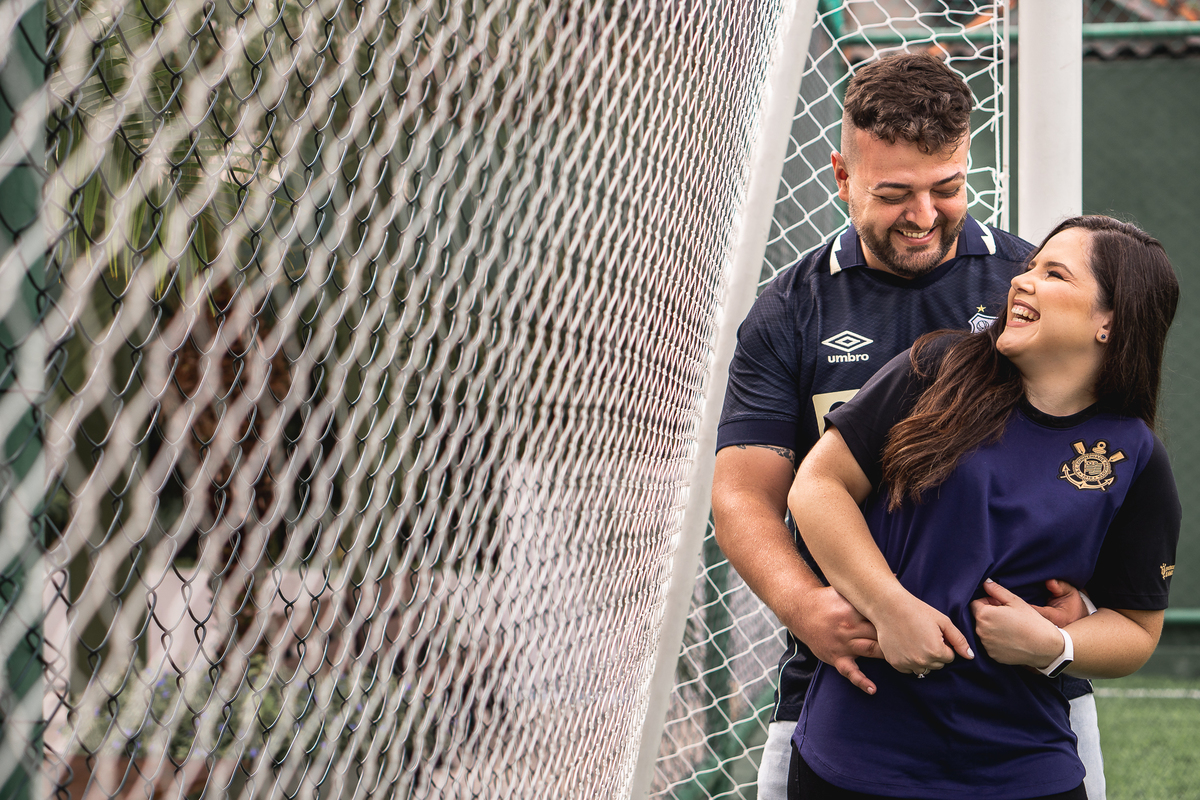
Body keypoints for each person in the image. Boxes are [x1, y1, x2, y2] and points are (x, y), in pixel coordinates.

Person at [711, 52, 1106, 800]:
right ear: (842, 176)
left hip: (1021, 695)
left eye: (946, 188)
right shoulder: (791, 309)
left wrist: (1083, 608)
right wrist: (808, 608)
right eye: (894, 194)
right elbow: (742, 496)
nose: (923, 216)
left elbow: (1103, 463)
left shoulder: (1031, 288)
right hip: (844, 679)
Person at [786, 215, 1180, 799]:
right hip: (858, 752)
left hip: (1023, 767)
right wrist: (890, 607)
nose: (1022, 280)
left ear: (1110, 322)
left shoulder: (1136, 456)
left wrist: (1056, 647)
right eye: (1030, 267)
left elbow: (1138, 629)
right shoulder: (935, 369)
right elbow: (817, 486)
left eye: (1055, 274)